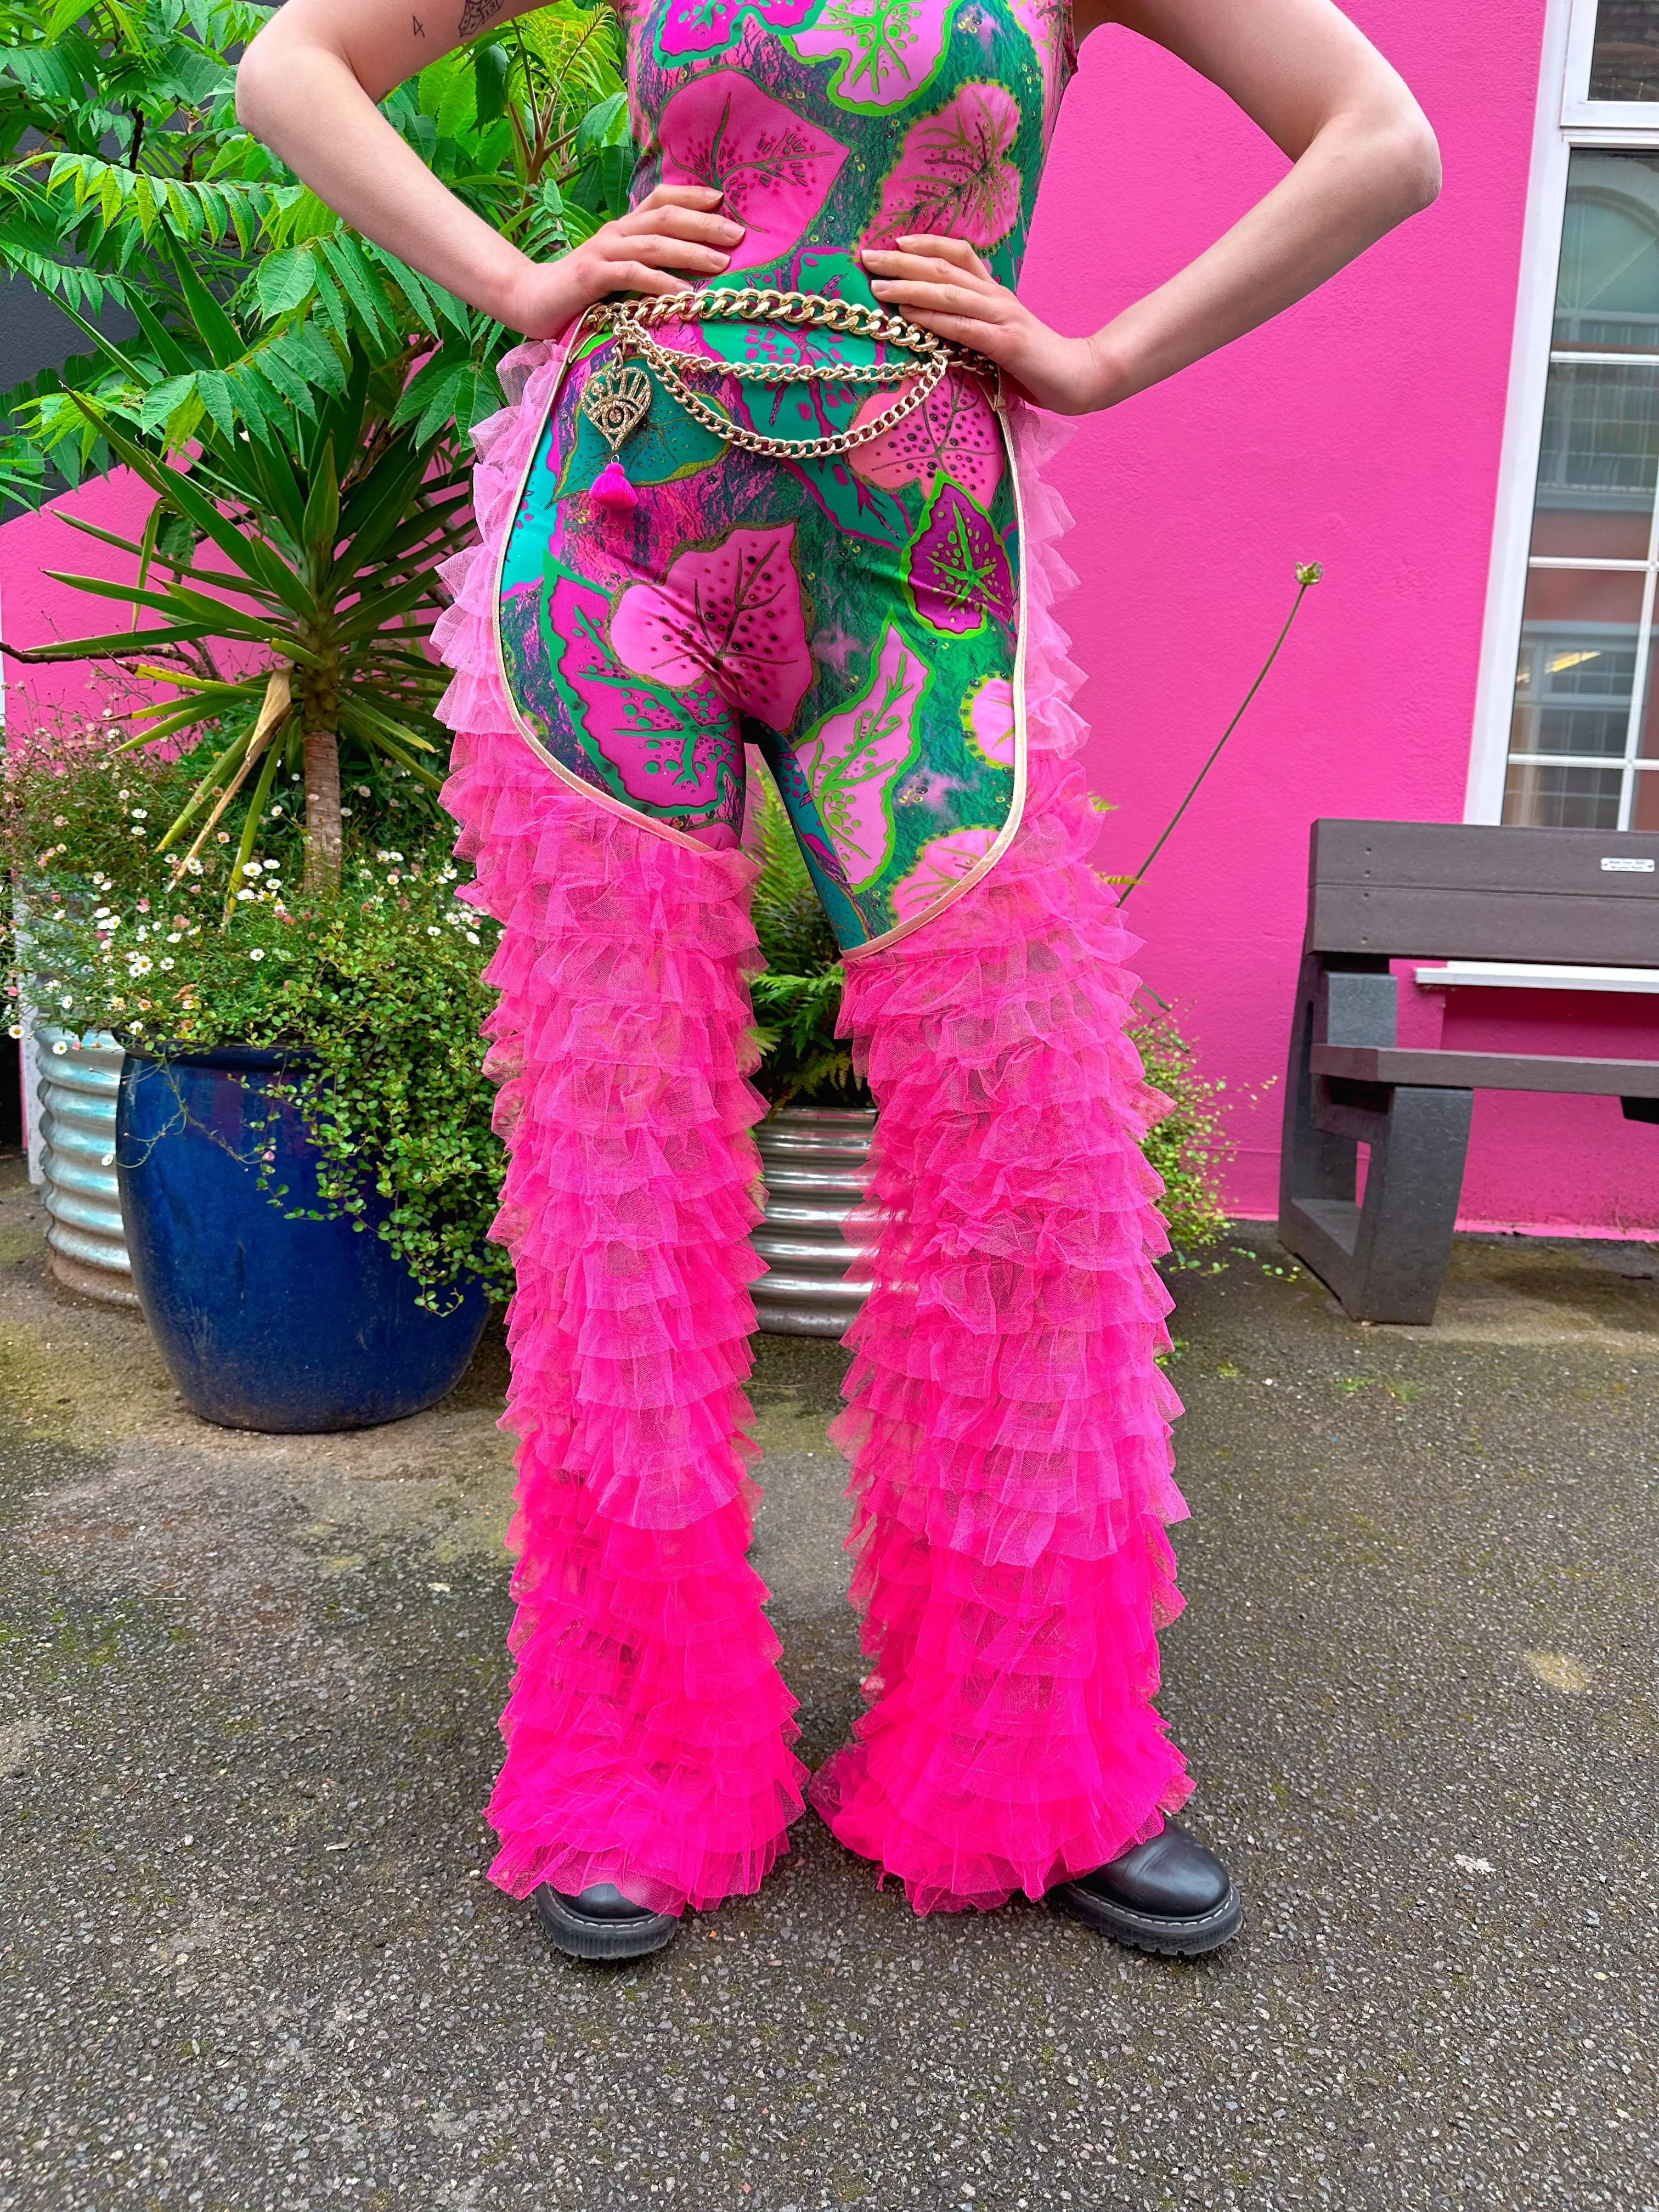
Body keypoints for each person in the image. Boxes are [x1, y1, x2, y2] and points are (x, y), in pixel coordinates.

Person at [238, 0, 1438, 1962]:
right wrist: (520, 281)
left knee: (1038, 1151)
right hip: (613, 540)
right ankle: (636, 1761)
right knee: (615, 1159)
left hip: (919, 576)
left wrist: (1103, 356)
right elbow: (292, 62)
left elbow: (1385, 138)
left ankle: (1028, 1764)